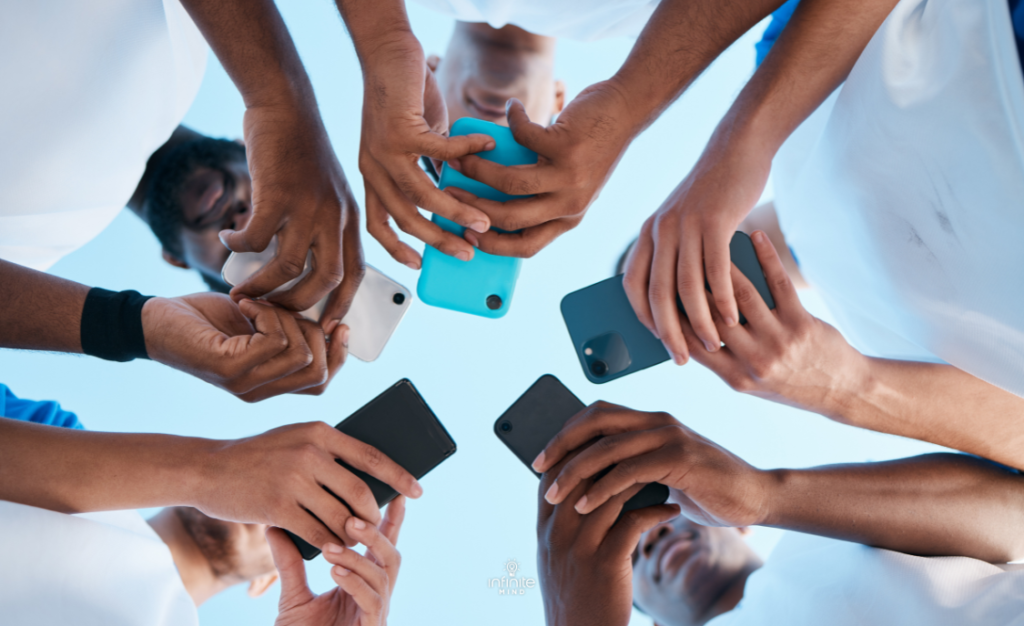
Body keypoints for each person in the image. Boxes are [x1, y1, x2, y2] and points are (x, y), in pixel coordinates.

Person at [1, 0, 429, 400]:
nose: (248, 222)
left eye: (257, 255)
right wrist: (283, 106)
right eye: (280, 223)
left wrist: (142, 326)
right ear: (250, 151)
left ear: (178, 259)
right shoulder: (189, 44)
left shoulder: (29, 250)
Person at [624, 0, 1024, 399]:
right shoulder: (876, 350)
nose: (699, 289)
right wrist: (848, 386)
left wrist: (740, 144)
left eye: (670, 262)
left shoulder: (777, 93)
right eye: (682, 310)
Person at [339, 0, 791, 266]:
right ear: (560, 104)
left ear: (429, 75)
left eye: (464, 150)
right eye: (518, 154)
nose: (492, 137)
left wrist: (382, 41)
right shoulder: (659, 19)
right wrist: (629, 102)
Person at [533, 402, 1024, 626]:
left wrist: (766, 495)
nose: (654, 542)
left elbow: (1015, 512)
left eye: (658, 523)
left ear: (735, 523)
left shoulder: (825, 527)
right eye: (633, 559)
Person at [0, 383, 423, 558]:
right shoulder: (59, 440)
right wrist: (207, 471)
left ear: (264, 584)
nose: (287, 493)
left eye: (304, 509)